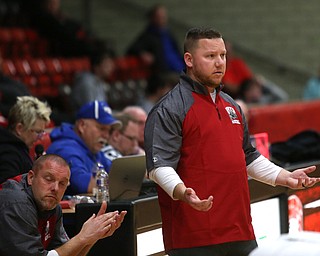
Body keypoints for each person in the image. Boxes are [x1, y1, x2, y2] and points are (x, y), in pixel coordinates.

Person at [144, 27, 320, 256]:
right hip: (193, 237)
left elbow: (249, 156)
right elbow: (159, 166)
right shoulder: (170, 107)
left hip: (240, 232)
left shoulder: (232, 105)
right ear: (189, 59)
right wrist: (180, 191)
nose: (219, 63)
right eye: (210, 56)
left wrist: (285, 177)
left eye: (223, 55)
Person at [0, 154, 126, 255]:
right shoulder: (15, 202)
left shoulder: (53, 206)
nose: (55, 188)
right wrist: (82, 237)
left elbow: (64, 252)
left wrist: (92, 237)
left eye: (62, 183)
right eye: (48, 179)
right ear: (31, 178)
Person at [46, 100, 121, 195]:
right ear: (82, 125)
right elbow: (84, 185)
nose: (106, 135)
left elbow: (116, 172)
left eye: (108, 130)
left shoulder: (93, 149)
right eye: (101, 128)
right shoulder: (64, 149)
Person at [0, 96, 51, 184]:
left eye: (41, 133)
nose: (40, 137)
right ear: (19, 128)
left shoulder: (18, 148)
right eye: (37, 132)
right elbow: (9, 193)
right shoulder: (8, 154)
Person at [126, 4, 184, 76]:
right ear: (153, 18)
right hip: (166, 74)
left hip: (180, 69)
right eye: (160, 16)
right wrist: (142, 53)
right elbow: (132, 49)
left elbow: (177, 51)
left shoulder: (168, 33)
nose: (163, 18)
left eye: (164, 16)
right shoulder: (148, 35)